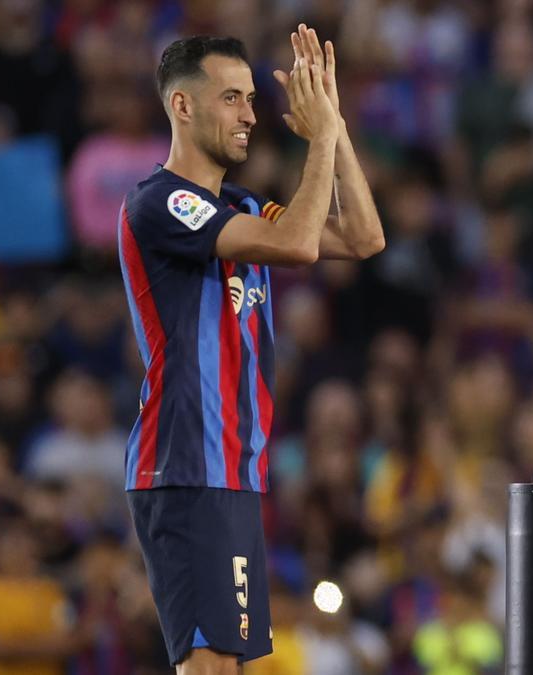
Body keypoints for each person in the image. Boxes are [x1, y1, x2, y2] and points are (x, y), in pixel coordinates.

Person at [116, 28, 384, 673]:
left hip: (232, 470)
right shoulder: (163, 201)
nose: (250, 115)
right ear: (182, 106)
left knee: (226, 666)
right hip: (185, 463)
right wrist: (318, 140)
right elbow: (296, 243)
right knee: (207, 667)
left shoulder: (236, 205)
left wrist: (336, 125)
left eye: (250, 98)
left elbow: (362, 236)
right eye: (232, 98)